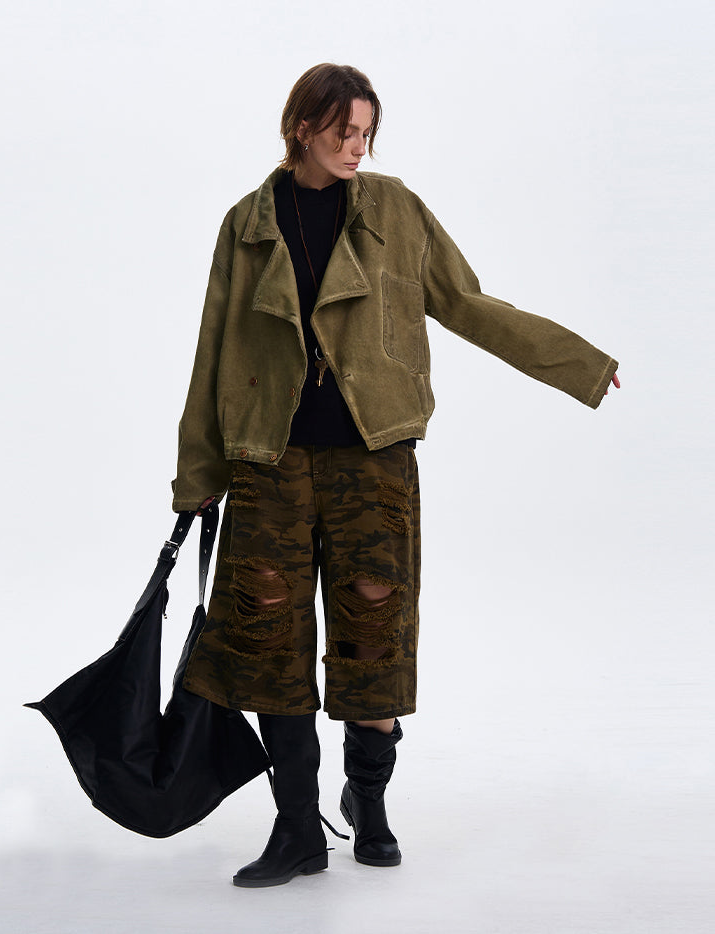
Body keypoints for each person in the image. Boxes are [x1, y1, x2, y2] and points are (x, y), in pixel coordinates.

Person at [172, 63, 620, 888]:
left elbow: (466, 303)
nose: (358, 147)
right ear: (301, 128)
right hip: (267, 461)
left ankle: (369, 803)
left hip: (373, 460)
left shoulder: (396, 211)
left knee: (375, 634)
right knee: (269, 642)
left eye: (367, 132)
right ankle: (297, 831)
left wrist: (578, 364)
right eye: (344, 131)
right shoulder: (247, 224)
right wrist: (196, 473)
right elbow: (213, 350)